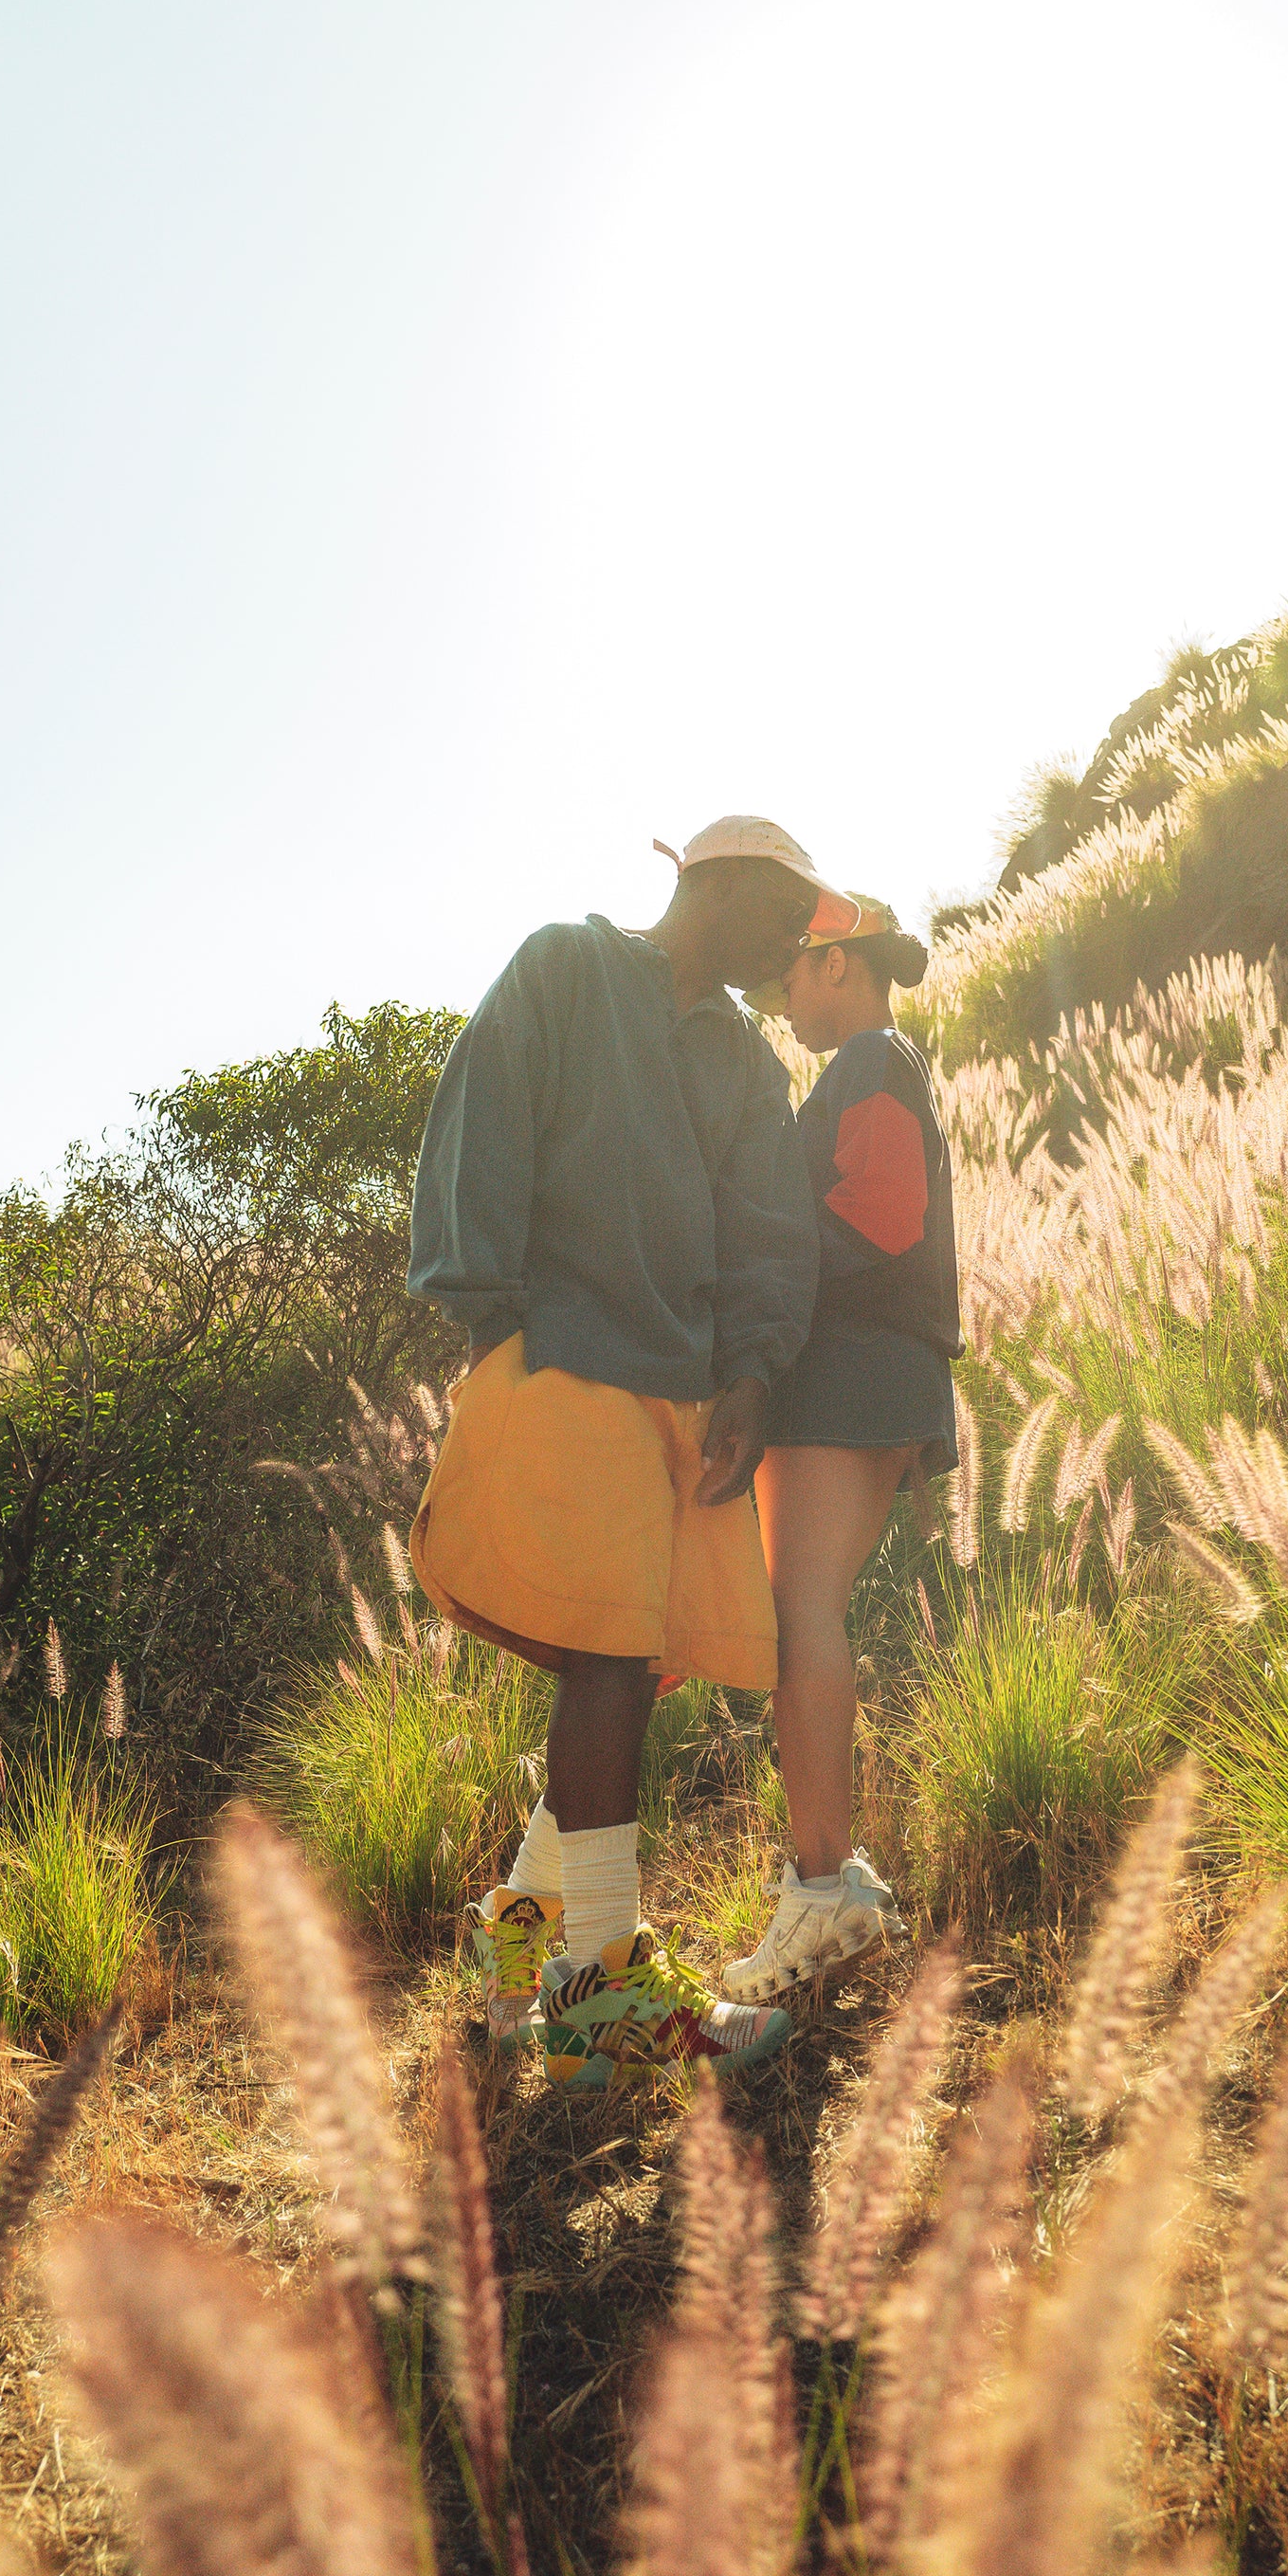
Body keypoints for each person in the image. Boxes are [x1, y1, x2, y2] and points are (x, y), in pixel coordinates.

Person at [407, 815, 851, 2086]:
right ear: (715, 883)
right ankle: (601, 1989)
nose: (787, 946)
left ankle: (513, 1957)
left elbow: (770, 1230)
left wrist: (755, 1371)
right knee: (607, 1661)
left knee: (632, 1669)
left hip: (685, 1394)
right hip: (558, 1357)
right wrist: (497, 1317)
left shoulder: (744, 1061)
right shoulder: (563, 967)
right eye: (781, 915)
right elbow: (479, 1115)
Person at [722, 896, 960, 2001]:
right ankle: (830, 1877)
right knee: (796, 1613)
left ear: (836, 964)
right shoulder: (870, 1062)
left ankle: (821, 1892)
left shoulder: (869, 1058)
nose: (779, 1001)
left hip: (850, 1375)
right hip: (860, 1375)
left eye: (788, 977)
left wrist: (753, 1263)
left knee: (798, 1615)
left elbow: (882, 1214)